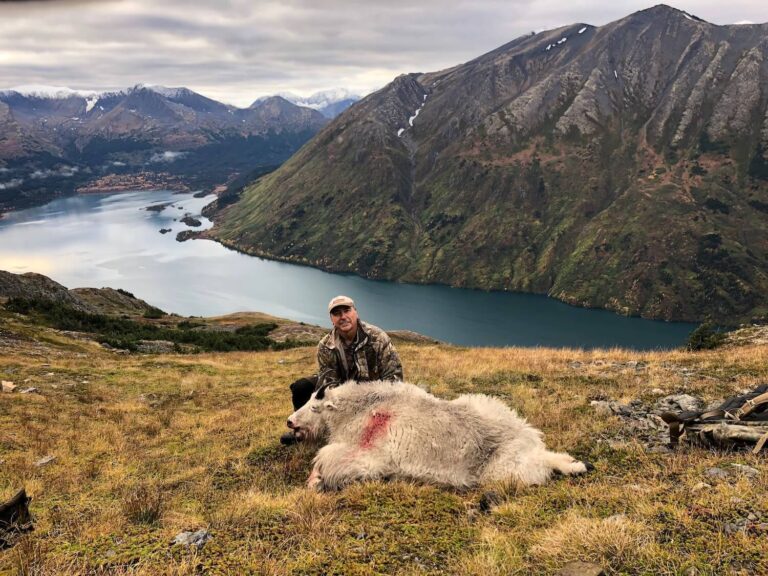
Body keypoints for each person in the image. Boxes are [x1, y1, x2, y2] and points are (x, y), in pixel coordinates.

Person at [281, 295, 404, 445]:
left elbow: (394, 379)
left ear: (355, 312)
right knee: (301, 387)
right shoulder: (326, 345)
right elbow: (329, 383)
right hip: (342, 395)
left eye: (347, 310)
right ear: (332, 319)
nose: (343, 317)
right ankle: (302, 431)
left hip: (373, 395)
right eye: (337, 313)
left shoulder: (378, 338)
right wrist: (343, 405)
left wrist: (374, 401)